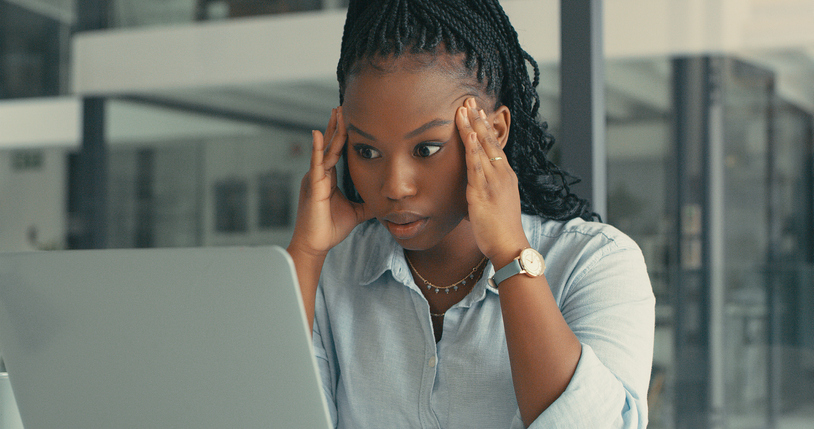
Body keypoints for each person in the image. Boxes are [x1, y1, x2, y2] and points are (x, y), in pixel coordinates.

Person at [286, 0, 655, 427]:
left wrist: (510, 251)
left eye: (426, 149)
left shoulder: (594, 263)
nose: (394, 186)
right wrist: (306, 253)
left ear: (492, 132)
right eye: (367, 151)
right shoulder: (332, 272)